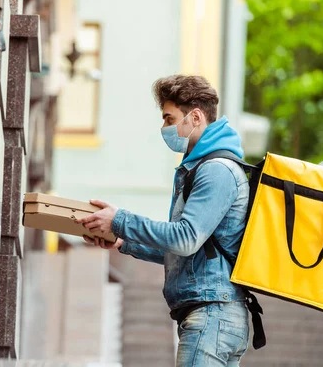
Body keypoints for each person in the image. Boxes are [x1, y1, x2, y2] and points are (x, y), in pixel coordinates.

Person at [76, 75, 250, 366]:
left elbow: (185, 238)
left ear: (195, 117)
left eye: (169, 119)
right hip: (213, 315)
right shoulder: (202, 167)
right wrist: (123, 241)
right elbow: (191, 250)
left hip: (212, 316)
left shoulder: (216, 170)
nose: (164, 128)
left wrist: (120, 219)